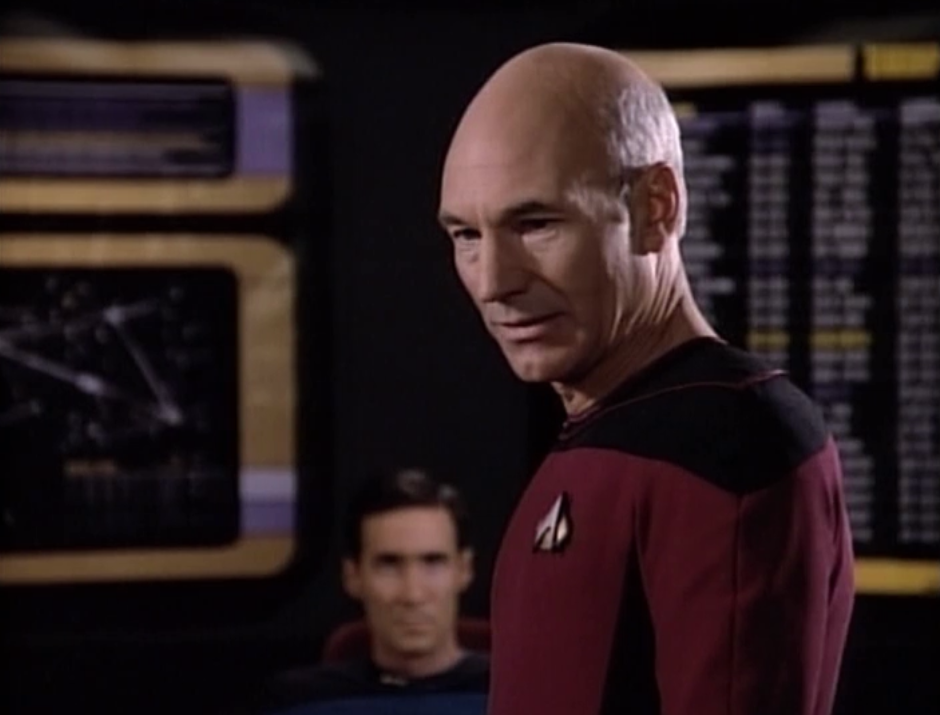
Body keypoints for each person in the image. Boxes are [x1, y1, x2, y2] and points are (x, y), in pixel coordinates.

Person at [437, 42, 855, 715]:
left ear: (656, 207)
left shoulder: (727, 438)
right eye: (466, 236)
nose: (493, 282)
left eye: (536, 224)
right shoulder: (609, 427)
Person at [257, 468, 488, 715]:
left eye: (433, 562)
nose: (412, 595)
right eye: (388, 564)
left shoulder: (513, 693)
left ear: (464, 570)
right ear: (353, 576)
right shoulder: (297, 701)